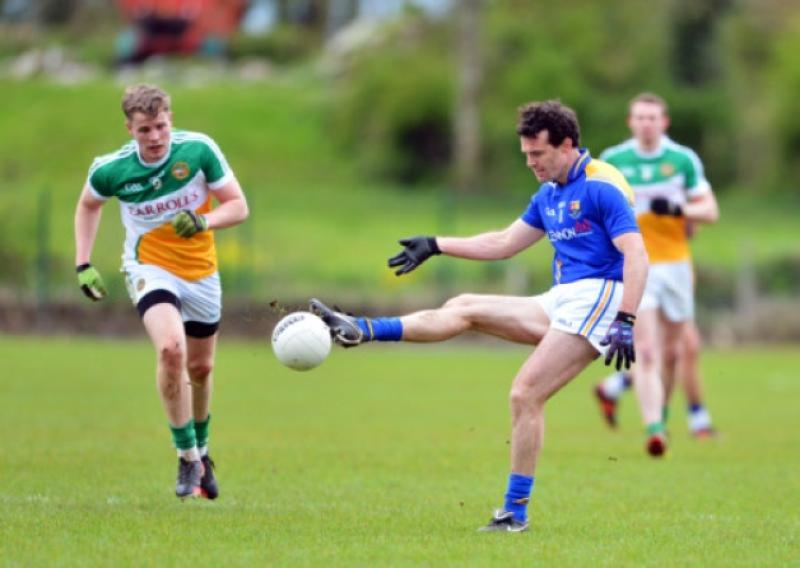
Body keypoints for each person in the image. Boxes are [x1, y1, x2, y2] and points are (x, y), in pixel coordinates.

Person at [308, 100, 649, 532]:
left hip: (600, 296)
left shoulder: (602, 185)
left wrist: (626, 318)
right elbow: (503, 243)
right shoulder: (549, 194)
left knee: (525, 394)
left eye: (538, 154)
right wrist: (436, 243)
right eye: (525, 155)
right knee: (464, 306)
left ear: (566, 145)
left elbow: (637, 254)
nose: (530, 163)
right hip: (562, 298)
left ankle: (514, 513)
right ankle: (362, 329)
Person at [73, 84, 249, 499]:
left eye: (162, 127)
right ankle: (187, 456)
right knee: (171, 349)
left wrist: (204, 222)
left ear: (172, 120)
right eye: (145, 130)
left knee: (202, 369)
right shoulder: (111, 169)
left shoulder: (199, 151)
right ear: (129, 129)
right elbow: (88, 205)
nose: (155, 138)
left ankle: (203, 453)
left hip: (202, 271)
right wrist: (83, 263)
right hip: (149, 268)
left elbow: (238, 206)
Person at [593, 92, 719, 443]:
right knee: (646, 348)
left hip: (676, 265)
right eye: (640, 117)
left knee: (676, 351)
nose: (646, 123)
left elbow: (710, 211)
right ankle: (658, 427)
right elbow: (598, 210)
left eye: (653, 118)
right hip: (636, 266)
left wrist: (679, 210)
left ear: (664, 122)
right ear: (630, 122)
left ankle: (636, 399)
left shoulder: (682, 159)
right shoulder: (613, 161)